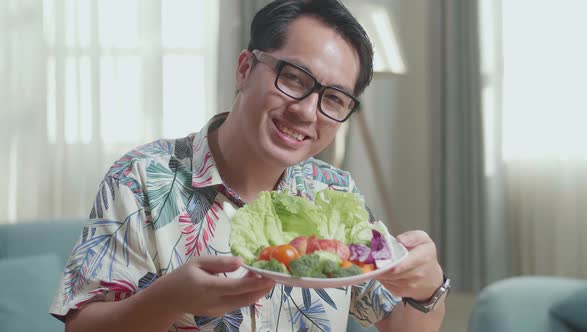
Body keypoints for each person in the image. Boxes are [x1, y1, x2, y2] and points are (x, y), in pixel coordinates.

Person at [50, 0, 448, 331]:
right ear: (244, 69)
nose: (307, 111)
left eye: (334, 99)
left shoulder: (335, 192)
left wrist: (427, 288)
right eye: (293, 78)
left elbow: (398, 325)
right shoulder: (141, 177)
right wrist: (168, 299)